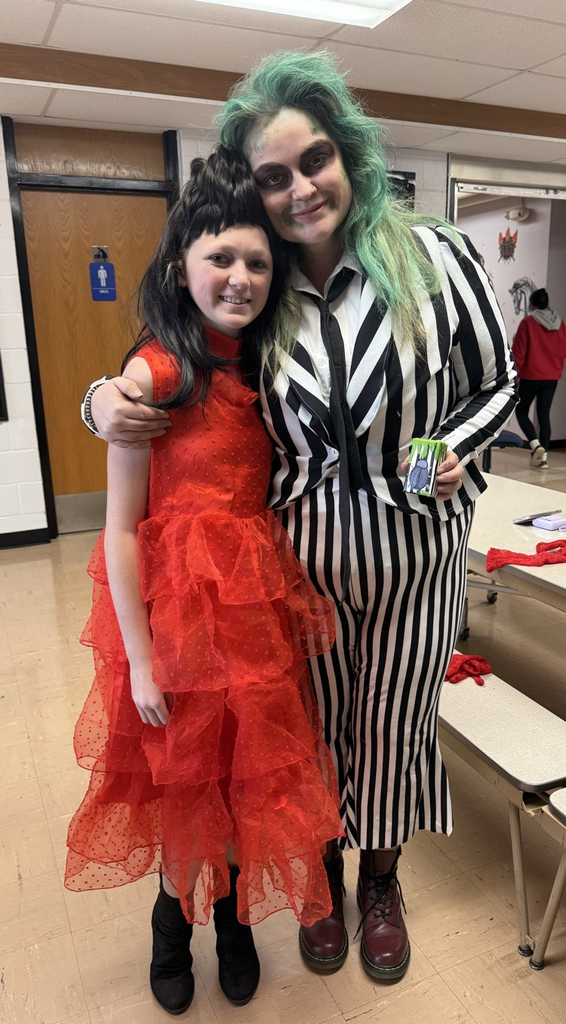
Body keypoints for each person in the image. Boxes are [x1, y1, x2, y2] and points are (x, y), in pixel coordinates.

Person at [81, 50, 517, 984]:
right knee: (303, 741)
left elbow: (500, 383)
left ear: (349, 153)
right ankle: (318, 880)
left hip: (415, 559)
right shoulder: (266, 286)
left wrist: (452, 449)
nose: (299, 188)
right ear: (252, 189)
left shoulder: (434, 256)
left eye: (313, 158)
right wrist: (96, 401)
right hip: (292, 573)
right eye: (271, 175)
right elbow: (174, 369)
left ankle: (382, 883)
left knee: (393, 727)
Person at [65, 146, 344, 1017]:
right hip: (176, 632)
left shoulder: (266, 369)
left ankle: (230, 924)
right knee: (183, 779)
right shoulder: (155, 373)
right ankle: (169, 921)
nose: (239, 277)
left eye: (257, 261)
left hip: (254, 621)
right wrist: (142, 663)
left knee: (237, 777)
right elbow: (118, 531)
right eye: (219, 257)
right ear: (181, 262)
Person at [512, 287, 566, 469]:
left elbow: (519, 352)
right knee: (544, 415)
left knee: (521, 411)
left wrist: (515, 375)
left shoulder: (528, 322)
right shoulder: (560, 324)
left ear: (532, 304)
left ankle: (535, 446)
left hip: (531, 376)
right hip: (552, 377)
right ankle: (543, 459)